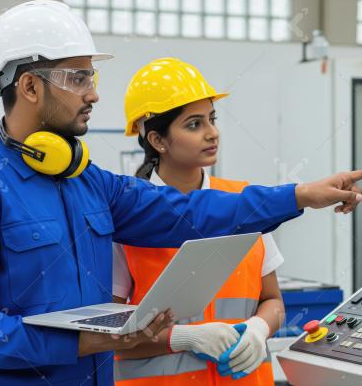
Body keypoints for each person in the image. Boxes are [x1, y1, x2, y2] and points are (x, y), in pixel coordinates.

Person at [0, 0, 362, 386]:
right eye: (78, 78)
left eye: (90, 78)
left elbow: (189, 213)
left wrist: (299, 195)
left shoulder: (86, 182)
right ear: (30, 86)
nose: (93, 94)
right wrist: (88, 340)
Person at [111, 58, 284, 385]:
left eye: (211, 119)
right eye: (194, 124)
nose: (212, 133)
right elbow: (106, 334)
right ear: (158, 141)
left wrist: (259, 330)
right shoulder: (128, 218)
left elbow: (272, 300)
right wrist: (183, 337)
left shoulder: (243, 202)